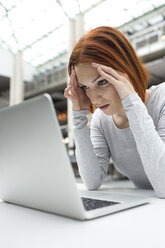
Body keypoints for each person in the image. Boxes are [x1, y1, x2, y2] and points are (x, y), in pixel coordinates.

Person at [64, 26, 165, 198]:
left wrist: (130, 100)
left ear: (126, 70)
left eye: (102, 82)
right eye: (85, 87)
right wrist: (79, 113)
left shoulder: (162, 99)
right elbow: (92, 181)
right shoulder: (101, 120)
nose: (94, 99)